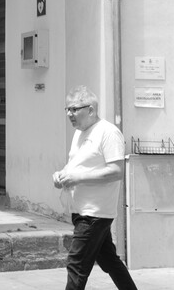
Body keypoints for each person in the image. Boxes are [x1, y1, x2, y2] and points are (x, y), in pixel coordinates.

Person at [52, 87, 136, 290]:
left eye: (74, 109)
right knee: (109, 262)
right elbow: (75, 166)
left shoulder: (108, 133)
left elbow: (116, 171)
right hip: (80, 211)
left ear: (90, 110)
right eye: (67, 109)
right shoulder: (79, 133)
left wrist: (77, 177)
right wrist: (61, 175)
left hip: (94, 214)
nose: (69, 114)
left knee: (76, 265)